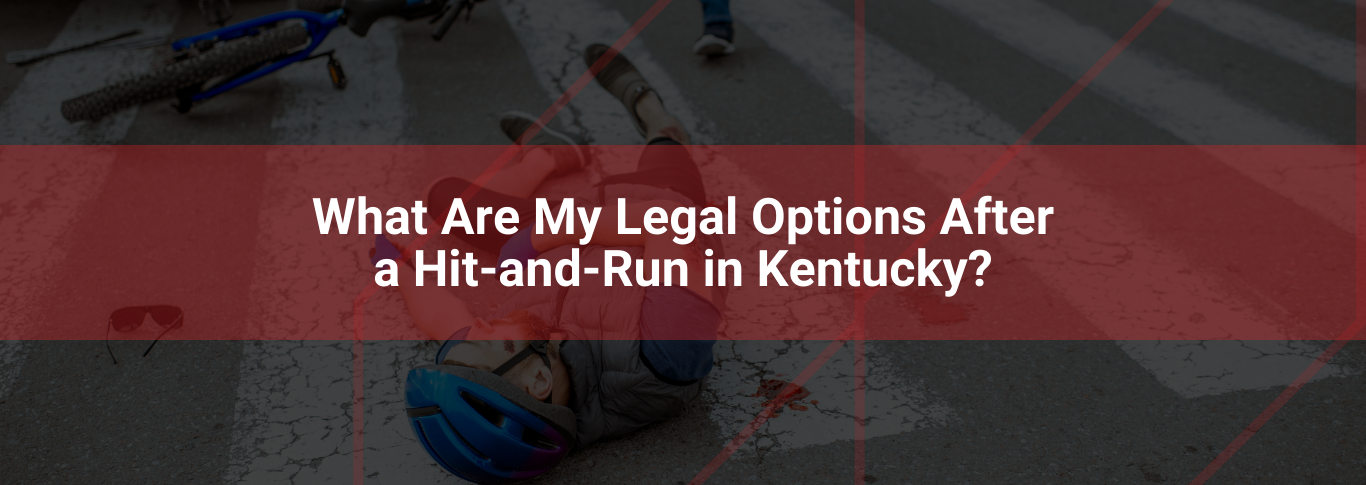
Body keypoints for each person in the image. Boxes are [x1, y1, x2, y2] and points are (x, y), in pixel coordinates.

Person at [380, 44, 725, 484]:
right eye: (487, 338)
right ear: (539, 382)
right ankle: (646, 103)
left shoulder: (514, 363)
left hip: (568, 218)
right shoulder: (666, 355)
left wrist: (399, 263)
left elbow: (445, 320)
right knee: (664, 140)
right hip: (652, 198)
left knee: (442, 195)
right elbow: (668, 223)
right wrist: (542, 234)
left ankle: (547, 153)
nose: (477, 327)